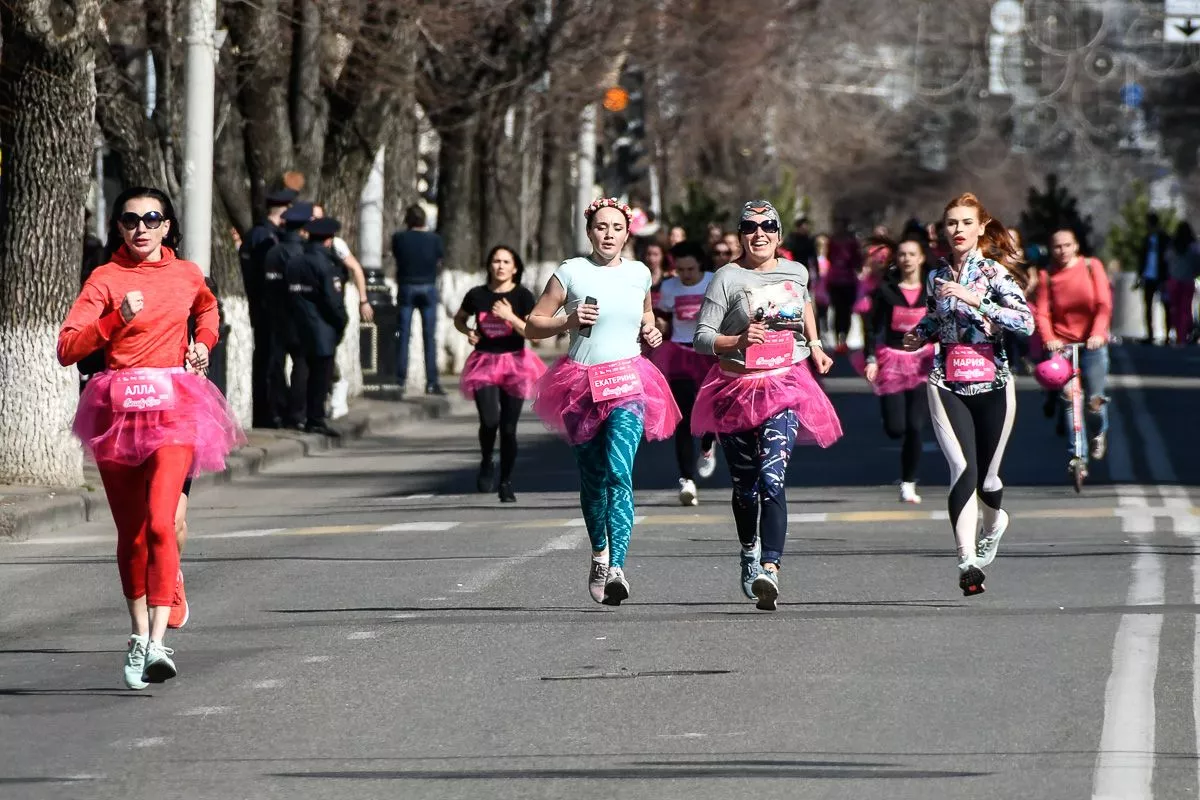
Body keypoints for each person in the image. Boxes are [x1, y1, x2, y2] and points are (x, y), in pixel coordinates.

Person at [57, 186, 244, 689]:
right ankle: (139, 636)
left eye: (152, 218)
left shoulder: (186, 274)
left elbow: (207, 311)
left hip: (175, 412)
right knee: (133, 533)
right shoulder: (105, 278)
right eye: (130, 220)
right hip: (118, 413)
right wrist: (117, 319)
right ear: (118, 227)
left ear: (166, 227)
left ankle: (161, 642)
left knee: (164, 523)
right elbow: (67, 346)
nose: (141, 227)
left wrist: (203, 344)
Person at [526, 198, 680, 606]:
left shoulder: (639, 273)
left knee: (619, 470)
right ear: (589, 231)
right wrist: (568, 320)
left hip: (628, 381)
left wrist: (652, 332)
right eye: (600, 227)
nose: (608, 234)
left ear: (627, 233)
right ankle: (599, 553)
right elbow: (533, 325)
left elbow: (646, 316)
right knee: (593, 478)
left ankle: (617, 568)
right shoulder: (571, 272)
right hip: (580, 384)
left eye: (616, 227)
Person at [692, 200, 841, 611]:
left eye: (768, 226)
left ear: (779, 233)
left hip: (785, 382)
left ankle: (771, 568)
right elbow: (701, 337)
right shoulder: (726, 278)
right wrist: (737, 341)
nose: (760, 234)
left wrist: (815, 346)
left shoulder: (795, 271)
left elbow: (805, 303)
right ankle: (748, 551)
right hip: (736, 386)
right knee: (746, 486)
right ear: (740, 234)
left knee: (773, 477)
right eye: (750, 227)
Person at [904, 193, 1033, 597]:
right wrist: (918, 335)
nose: (958, 230)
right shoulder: (936, 276)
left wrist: (977, 299)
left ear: (980, 228)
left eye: (965, 223)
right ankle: (966, 561)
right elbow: (932, 315)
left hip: (993, 381)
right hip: (947, 380)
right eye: (951, 223)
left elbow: (1025, 322)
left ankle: (994, 523)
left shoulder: (995, 274)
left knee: (989, 479)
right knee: (962, 469)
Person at [453, 245, 545, 503]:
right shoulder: (477, 295)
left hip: (515, 363)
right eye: (496, 261)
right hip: (484, 362)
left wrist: (509, 316)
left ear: (515, 268)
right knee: (490, 420)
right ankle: (486, 460)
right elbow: (459, 319)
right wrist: (467, 331)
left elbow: (533, 333)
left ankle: (506, 481)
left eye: (506, 261)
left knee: (508, 428)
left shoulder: (522, 296)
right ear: (489, 266)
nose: (500, 266)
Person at [859, 234, 934, 503]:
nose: (906, 259)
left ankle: (908, 482)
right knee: (896, 428)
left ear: (921, 258)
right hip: (892, 358)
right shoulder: (886, 290)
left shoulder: (931, 288)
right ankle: (889, 413)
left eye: (912, 254)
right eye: (902, 254)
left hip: (923, 360)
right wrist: (870, 359)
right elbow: (871, 327)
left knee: (915, 426)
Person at [1034, 227, 1113, 463]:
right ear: (1051, 249)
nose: (1062, 251)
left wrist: (1097, 333)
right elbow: (1042, 313)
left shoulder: (1091, 266)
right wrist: (1049, 340)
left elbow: (1103, 304)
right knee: (1070, 398)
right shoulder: (1047, 275)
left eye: (1067, 245)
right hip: (1063, 346)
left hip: (1092, 344)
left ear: (1076, 246)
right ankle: (1077, 456)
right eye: (1057, 246)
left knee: (1094, 402)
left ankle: (1099, 431)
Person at [652, 241, 719, 505]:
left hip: (709, 352)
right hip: (679, 352)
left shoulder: (713, 282)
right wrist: (659, 323)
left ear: (700, 265)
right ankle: (687, 479)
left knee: (712, 409)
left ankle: (708, 443)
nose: (686, 275)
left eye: (690, 269)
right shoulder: (669, 287)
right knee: (683, 417)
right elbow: (664, 317)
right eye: (680, 270)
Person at [285, 216, 350, 436]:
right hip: (323, 330)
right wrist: (342, 321)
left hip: (297, 326)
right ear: (328, 240)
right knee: (320, 377)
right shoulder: (326, 265)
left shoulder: (294, 262)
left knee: (300, 371)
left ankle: (296, 415)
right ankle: (315, 418)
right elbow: (333, 302)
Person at [242, 188, 298, 427]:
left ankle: (275, 407)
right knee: (270, 361)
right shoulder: (264, 236)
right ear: (283, 210)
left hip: (269, 307)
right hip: (268, 308)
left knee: (273, 359)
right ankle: (270, 411)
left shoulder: (263, 233)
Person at [263, 202, 314, 428]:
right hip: (301, 318)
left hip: (276, 317)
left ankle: (277, 411)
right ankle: (297, 412)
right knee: (301, 366)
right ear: (303, 227)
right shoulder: (305, 252)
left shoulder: (273, 251)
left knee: (276, 365)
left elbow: (268, 286)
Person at [391, 204, 446, 396]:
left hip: (406, 287)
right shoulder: (435, 239)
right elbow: (439, 260)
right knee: (429, 337)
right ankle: (432, 382)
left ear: (407, 221)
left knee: (403, 335)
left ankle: (399, 380)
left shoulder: (399, 238)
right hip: (428, 287)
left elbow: (397, 256)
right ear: (424, 220)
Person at [826, 218, 862, 353]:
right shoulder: (833, 241)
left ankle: (843, 339)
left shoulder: (852, 242)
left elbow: (857, 260)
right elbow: (829, 256)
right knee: (838, 311)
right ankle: (838, 340)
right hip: (836, 280)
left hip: (847, 281)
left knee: (845, 312)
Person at [1136, 212, 1170, 344]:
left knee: (1166, 306)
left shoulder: (1164, 239)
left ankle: (1167, 334)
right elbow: (1142, 259)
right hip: (1149, 276)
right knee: (1148, 306)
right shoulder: (1147, 239)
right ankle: (1150, 334)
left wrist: (1167, 276)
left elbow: (1167, 259)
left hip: (1161, 277)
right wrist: (1140, 276)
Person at [1165, 221, 1199, 346]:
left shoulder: (1172, 246)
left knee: (1175, 309)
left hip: (1174, 281)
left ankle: (1176, 332)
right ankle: (1182, 336)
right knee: (1185, 309)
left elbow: (1167, 260)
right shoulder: (1193, 247)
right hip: (1187, 281)